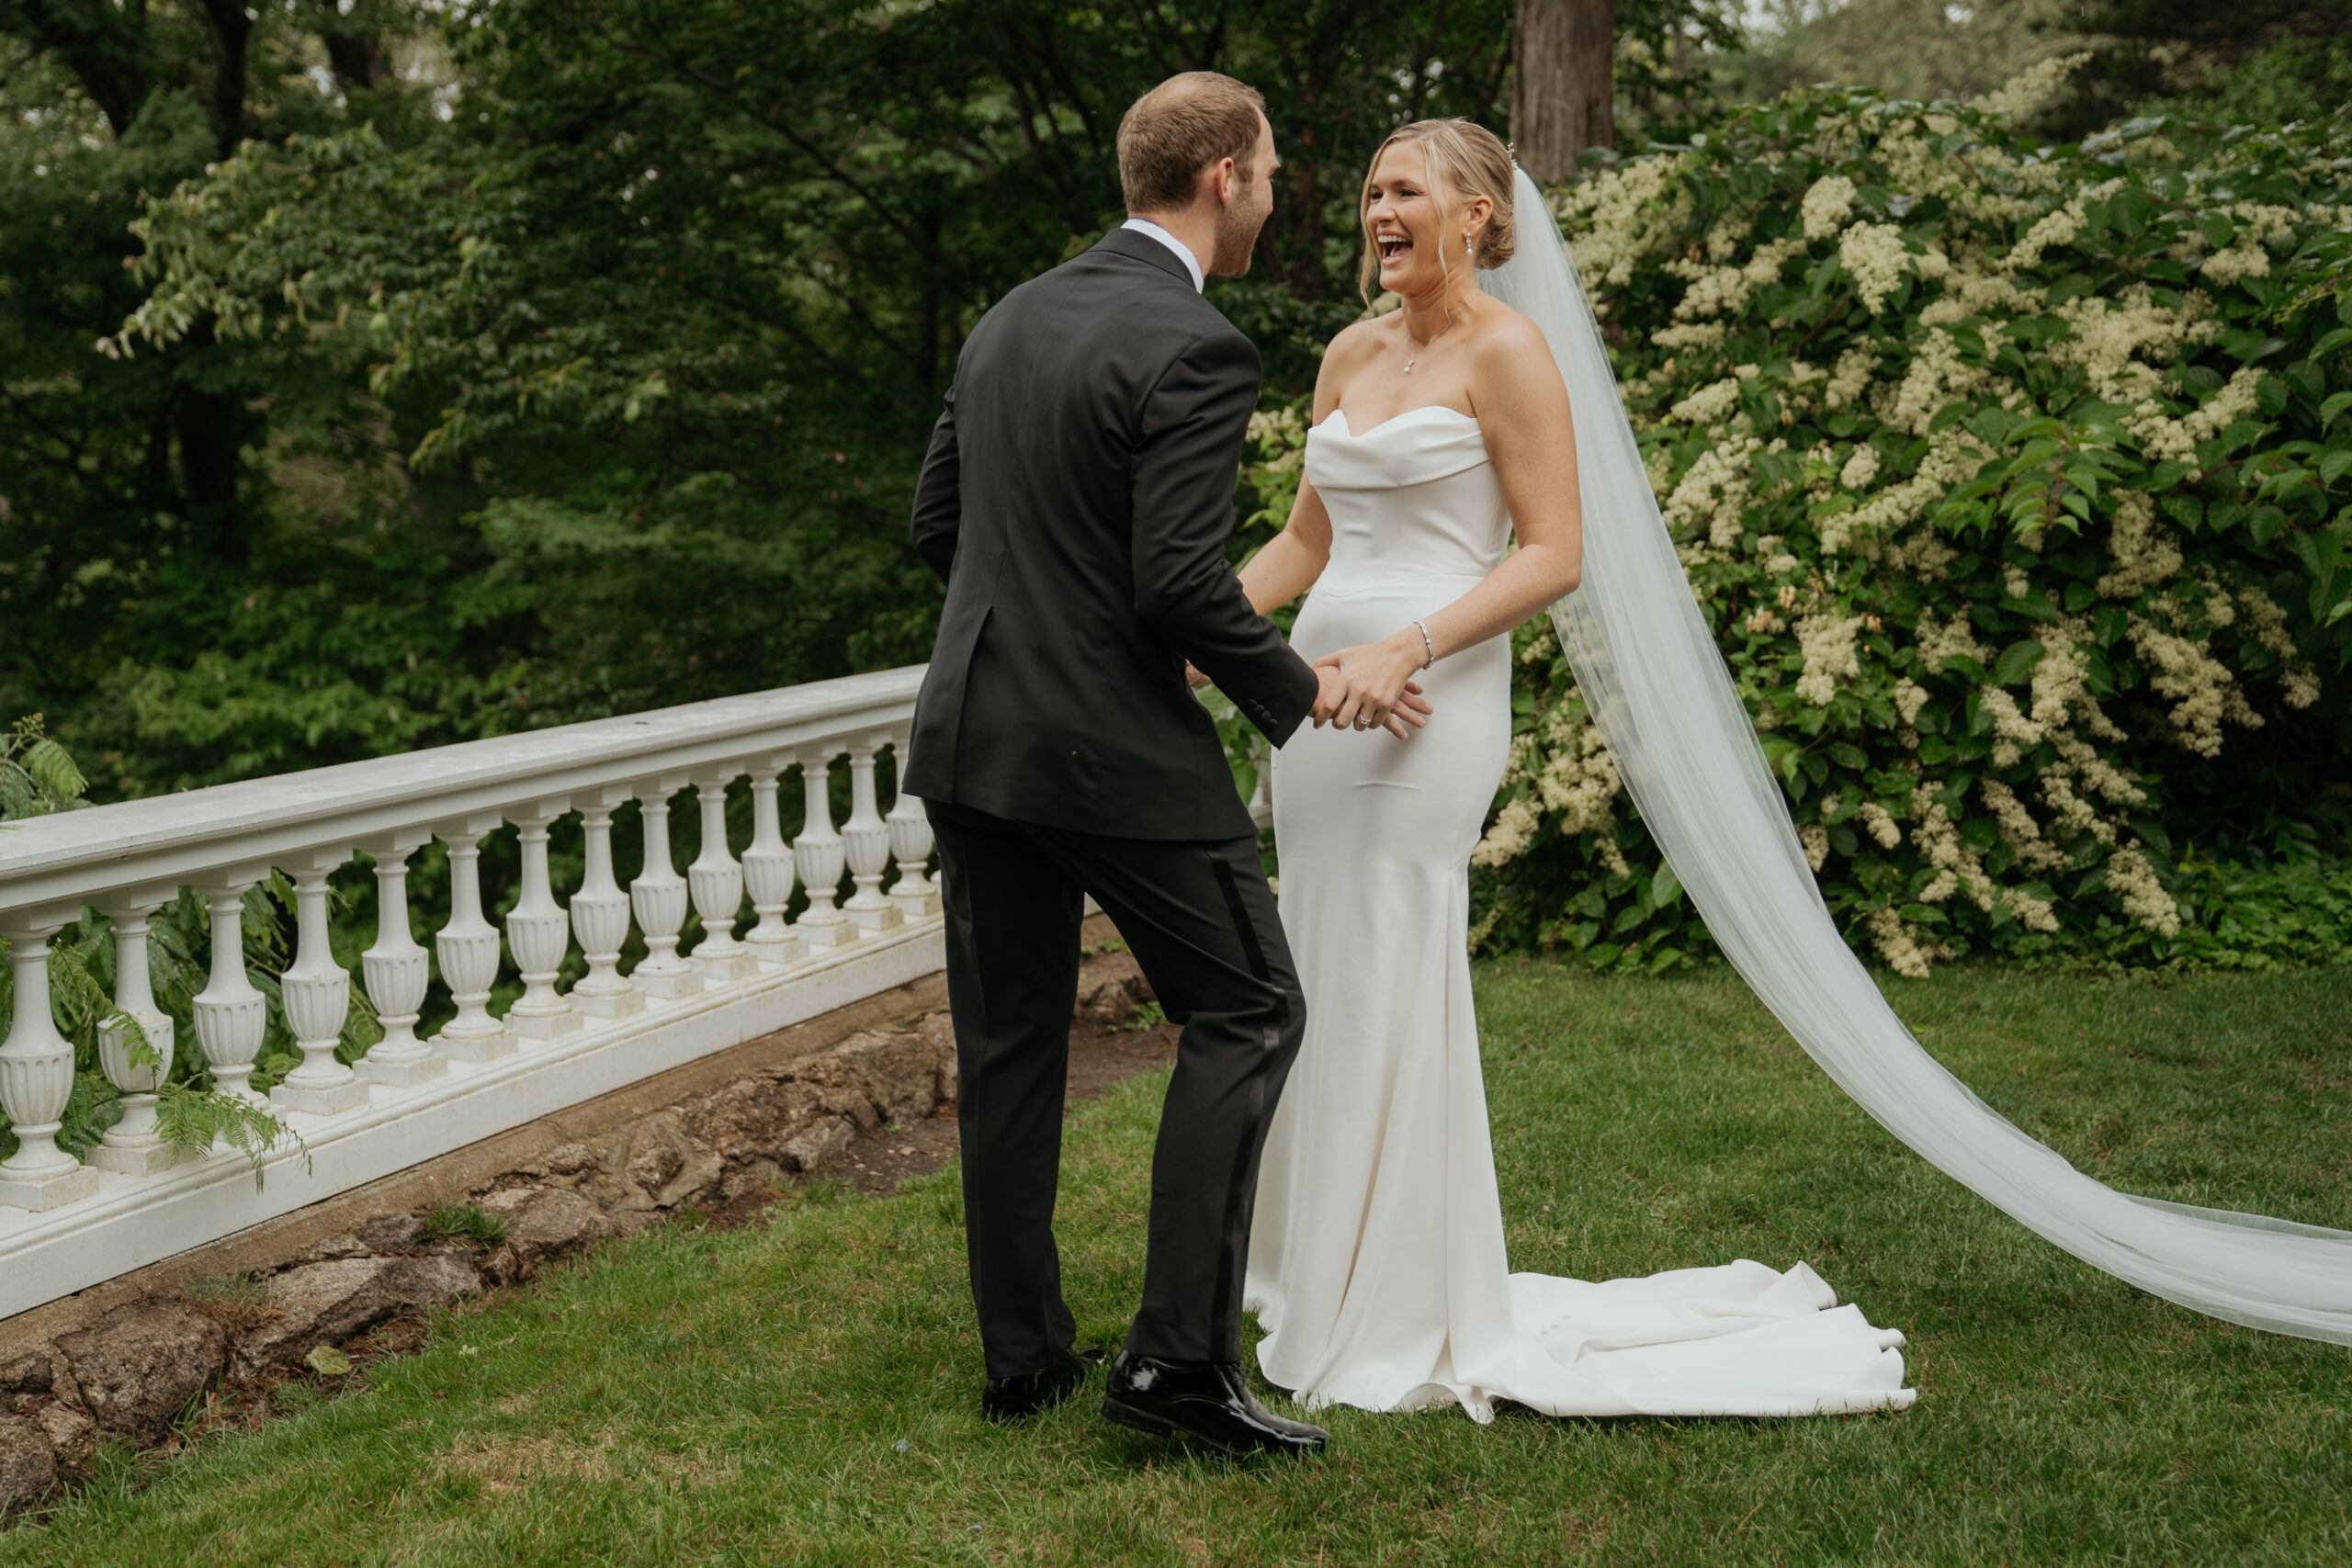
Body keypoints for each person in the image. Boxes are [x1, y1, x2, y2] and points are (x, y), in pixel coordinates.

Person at [1237, 118, 1917, 1419]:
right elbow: (1304, 537)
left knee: (1390, 951)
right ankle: (1298, 1266)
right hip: (1314, 712)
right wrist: (1203, 632)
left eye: (1407, 192)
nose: (1380, 211)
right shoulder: (1348, 353)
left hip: (1428, 702)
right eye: (1372, 190)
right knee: (1315, 959)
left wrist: (1408, 649)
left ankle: (1393, 1299)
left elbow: (1553, 553)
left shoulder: (1511, 352)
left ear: (1480, 219)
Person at [903, 72, 1416, 1459]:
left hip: (970, 737)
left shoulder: (1010, 316)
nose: (1277, 194)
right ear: (1221, 180)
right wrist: (1302, 692)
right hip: (1108, 754)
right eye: (1269, 171)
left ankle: (1024, 1363)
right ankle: (1174, 1368)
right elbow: (1183, 583)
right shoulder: (1196, 345)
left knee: (1011, 1045)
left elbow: (936, 521)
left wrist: (1036, 634)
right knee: (1249, 1011)